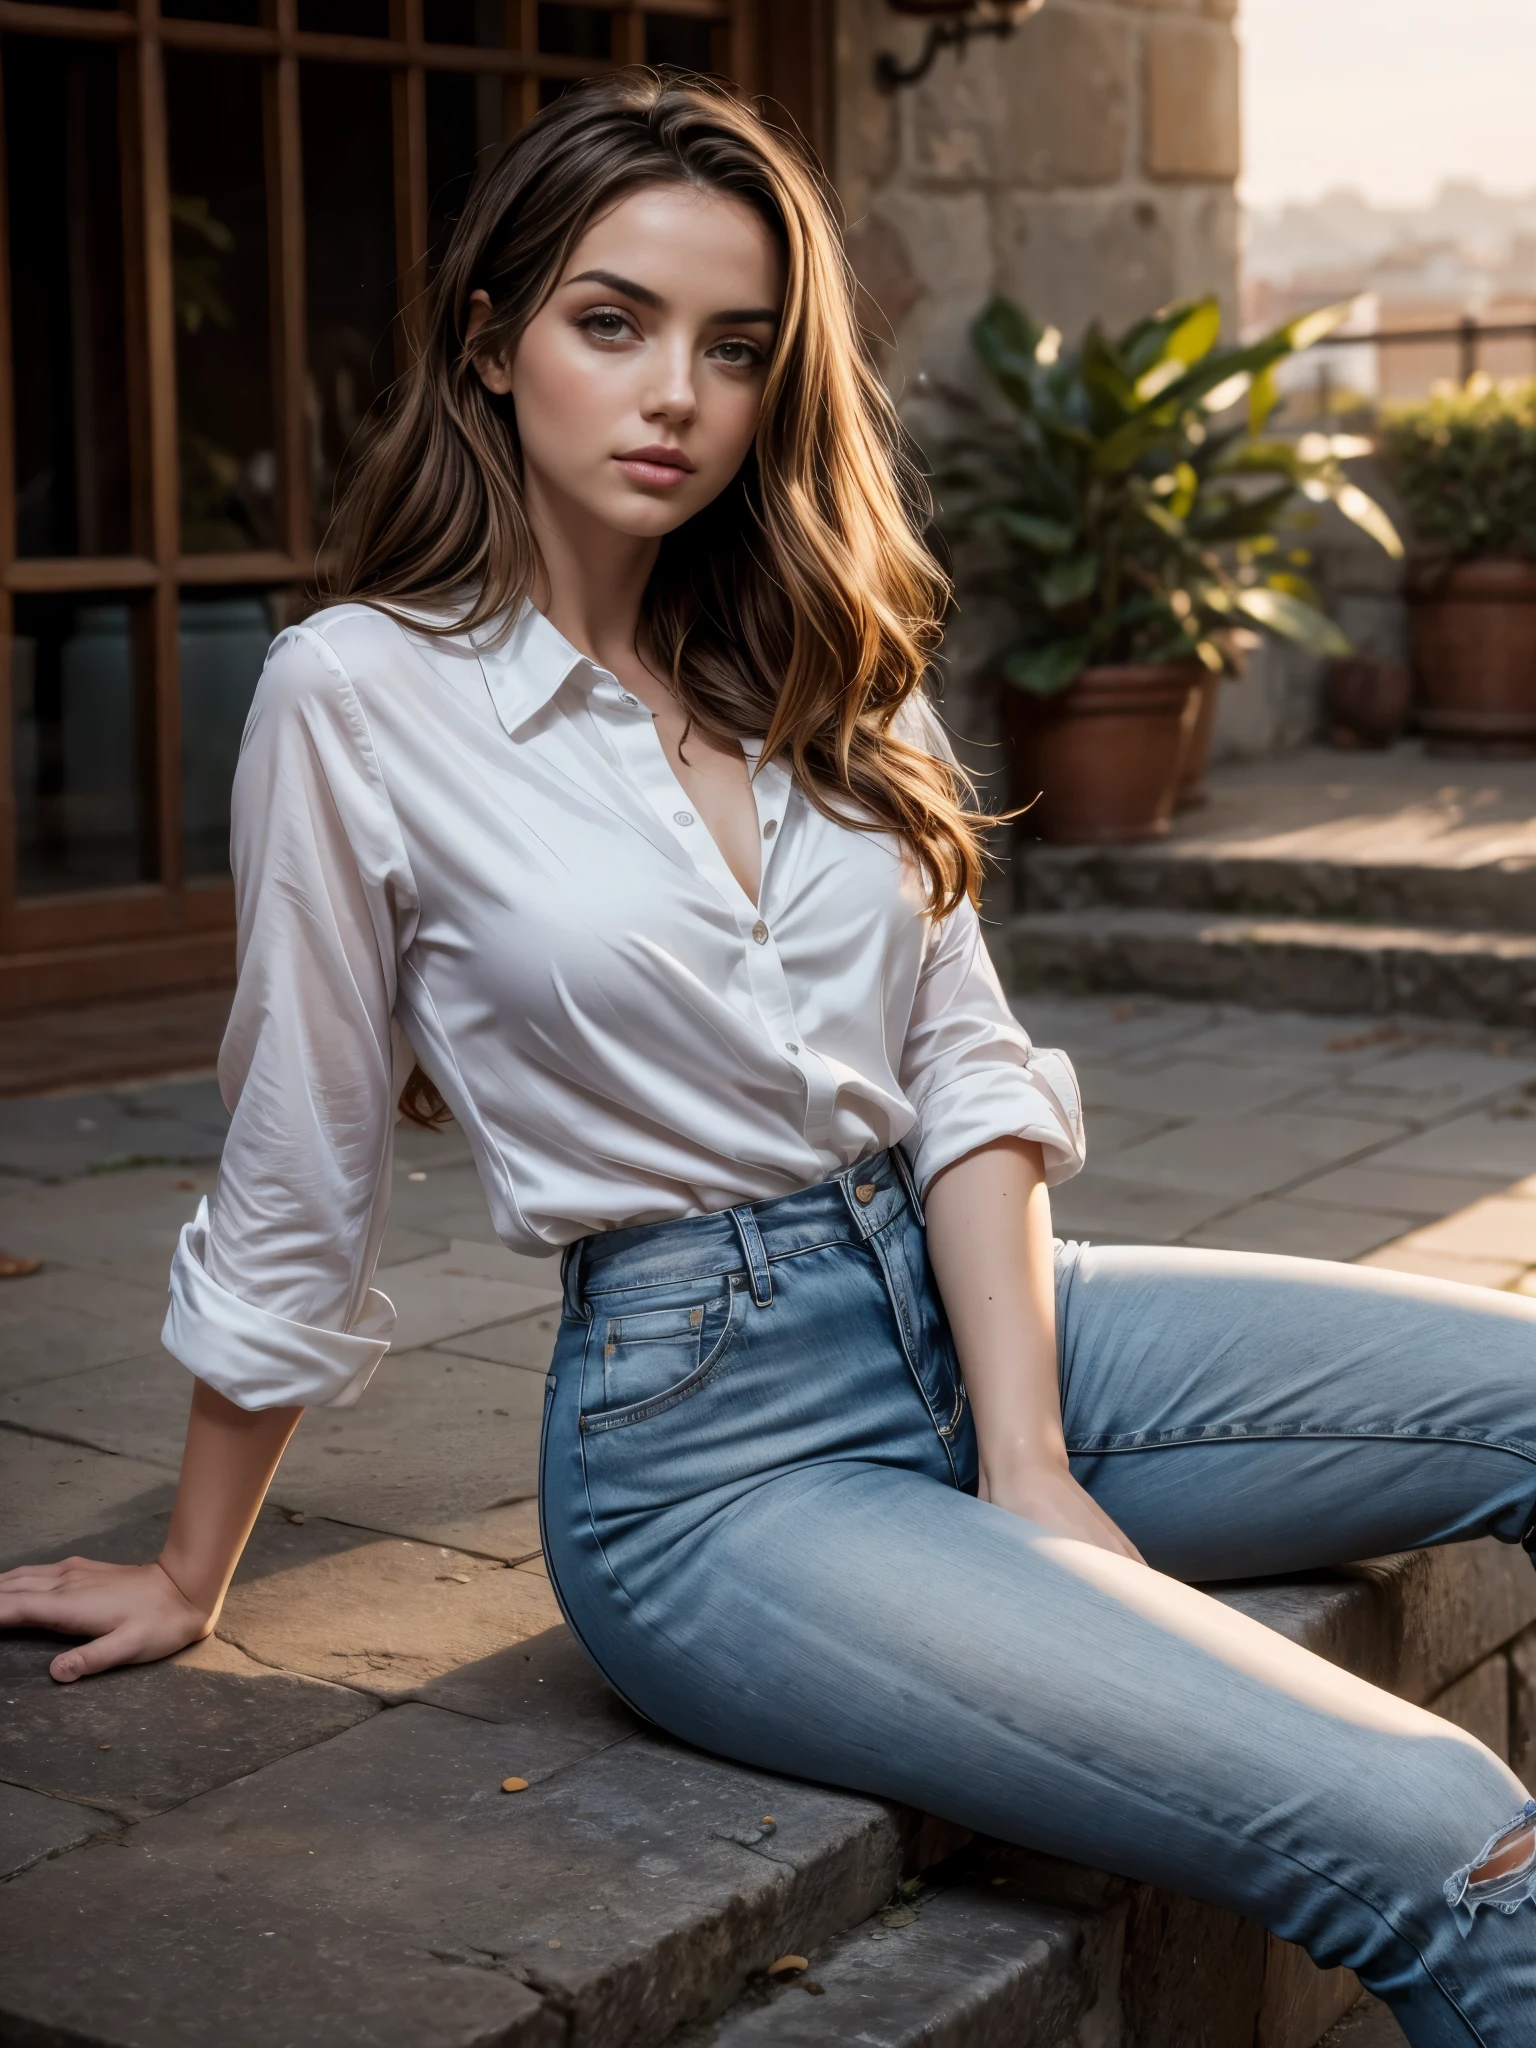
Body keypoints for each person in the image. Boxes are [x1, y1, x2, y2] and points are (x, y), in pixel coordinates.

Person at [2, 70, 1534, 2043]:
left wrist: (1028, 1460)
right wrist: (192, 1561)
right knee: (1445, 1827)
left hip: (1008, 1319)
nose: (677, 397)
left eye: (735, 350)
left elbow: (967, 1066)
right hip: (713, 1463)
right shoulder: (355, 698)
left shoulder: (809, 655)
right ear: (491, 341)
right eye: (609, 321)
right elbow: (300, 1151)